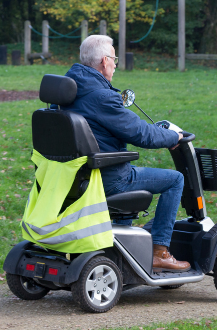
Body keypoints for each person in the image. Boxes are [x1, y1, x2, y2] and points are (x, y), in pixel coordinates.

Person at [63, 35, 191, 272]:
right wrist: (175, 137)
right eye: (114, 59)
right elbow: (143, 134)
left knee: (128, 169)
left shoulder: (66, 92)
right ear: (104, 61)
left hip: (72, 177)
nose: (115, 65)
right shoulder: (102, 97)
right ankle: (159, 251)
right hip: (106, 177)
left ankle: (127, 249)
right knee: (176, 180)